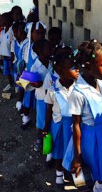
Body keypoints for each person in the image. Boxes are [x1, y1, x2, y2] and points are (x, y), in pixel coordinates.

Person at [63, 40, 102, 192]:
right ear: (88, 65)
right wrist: (77, 155)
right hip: (89, 137)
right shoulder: (78, 92)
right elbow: (76, 125)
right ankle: (99, 187)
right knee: (96, 166)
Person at [43, 52, 79, 188]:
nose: (76, 70)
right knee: (58, 151)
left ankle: (77, 174)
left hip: (74, 126)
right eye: (71, 67)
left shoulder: (79, 88)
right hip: (58, 125)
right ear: (59, 70)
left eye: (76, 66)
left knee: (74, 150)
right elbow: (48, 109)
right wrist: (46, 128)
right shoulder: (53, 89)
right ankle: (59, 174)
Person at [21, 21, 47, 129]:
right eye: (38, 33)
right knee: (27, 98)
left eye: (43, 33)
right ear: (31, 33)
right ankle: (26, 117)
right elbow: (24, 62)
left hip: (42, 80)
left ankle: (40, 122)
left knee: (40, 103)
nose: (41, 36)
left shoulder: (45, 47)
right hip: (30, 77)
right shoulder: (28, 47)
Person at [30, 39, 52, 151]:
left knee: (50, 120)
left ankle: (48, 143)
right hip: (42, 98)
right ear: (41, 51)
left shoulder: (52, 63)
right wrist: (36, 84)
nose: (51, 49)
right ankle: (39, 139)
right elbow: (30, 82)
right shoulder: (35, 67)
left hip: (53, 99)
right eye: (48, 48)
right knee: (41, 120)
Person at [11, 22, 29, 113]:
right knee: (21, 87)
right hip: (20, 69)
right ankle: (21, 104)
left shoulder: (27, 44)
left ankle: (22, 107)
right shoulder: (21, 43)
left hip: (24, 70)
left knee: (24, 88)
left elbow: (24, 60)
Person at [0, 12, 14, 92]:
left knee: (12, 71)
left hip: (10, 56)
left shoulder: (12, 31)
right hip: (4, 56)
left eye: (2, 20)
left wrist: (12, 57)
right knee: (7, 72)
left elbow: (12, 44)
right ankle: (10, 84)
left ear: (7, 21)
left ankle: (15, 85)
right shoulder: (3, 31)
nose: (0, 21)